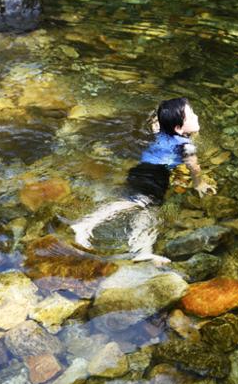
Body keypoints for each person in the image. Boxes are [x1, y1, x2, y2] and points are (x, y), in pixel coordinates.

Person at [71, 97, 216, 265]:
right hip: (155, 177)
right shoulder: (186, 146)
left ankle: (143, 251)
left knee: (144, 210)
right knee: (138, 206)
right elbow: (194, 167)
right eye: (191, 116)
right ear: (177, 127)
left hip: (141, 170)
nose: (197, 116)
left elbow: (157, 121)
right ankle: (87, 224)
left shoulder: (159, 131)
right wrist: (199, 183)